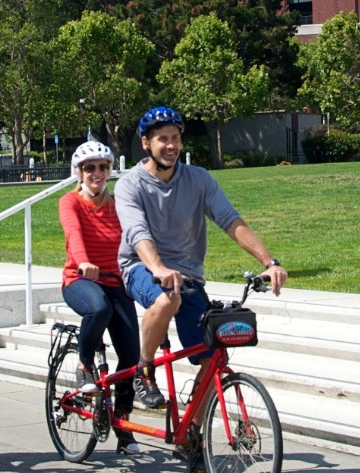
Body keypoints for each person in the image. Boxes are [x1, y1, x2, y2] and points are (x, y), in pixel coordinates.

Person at [116, 106, 287, 415]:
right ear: (146, 143)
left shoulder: (199, 179)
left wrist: (269, 261)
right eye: (162, 139)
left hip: (187, 277)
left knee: (214, 360)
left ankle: (193, 437)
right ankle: (144, 368)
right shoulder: (130, 184)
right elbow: (136, 232)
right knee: (167, 299)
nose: (171, 145)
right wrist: (158, 268)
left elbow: (230, 220)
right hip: (141, 268)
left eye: (176, 138)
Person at [59, 139, 140, 454]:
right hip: (79, 279)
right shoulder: (71, 201)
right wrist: (82, 261)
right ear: (78, 172)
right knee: (98, 308)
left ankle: (123, 424)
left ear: (109, 170)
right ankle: (83, 362)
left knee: (131, 356)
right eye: (89, 167)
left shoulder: (118, 203)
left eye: (102, 167)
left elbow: (136, 236)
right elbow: (73, 233)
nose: (96, 172)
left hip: (114, 281)